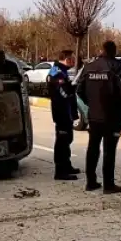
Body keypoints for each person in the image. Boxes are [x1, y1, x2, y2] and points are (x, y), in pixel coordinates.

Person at [76, 41, 121, 194]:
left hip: (94, 116)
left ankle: (91, 182)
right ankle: (108, 185)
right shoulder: (116, 67)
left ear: (101, 50)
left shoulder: (88, 67)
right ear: (113, 51)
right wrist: (119, 110)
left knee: (92, 149)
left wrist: (92, 104)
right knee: (109, 151)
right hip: (111, 117)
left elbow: (79, 89)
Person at [46, 50, 80, 181]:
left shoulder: (62, 71)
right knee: (62, 141)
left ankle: (67, 165)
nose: (73, 61)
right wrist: (73, 87)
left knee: (67, 139)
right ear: (65, 59)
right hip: (61, 112)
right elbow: (64, 94)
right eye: (71, 58)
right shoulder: (56, 73)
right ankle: (60, 171)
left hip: (67, 112)